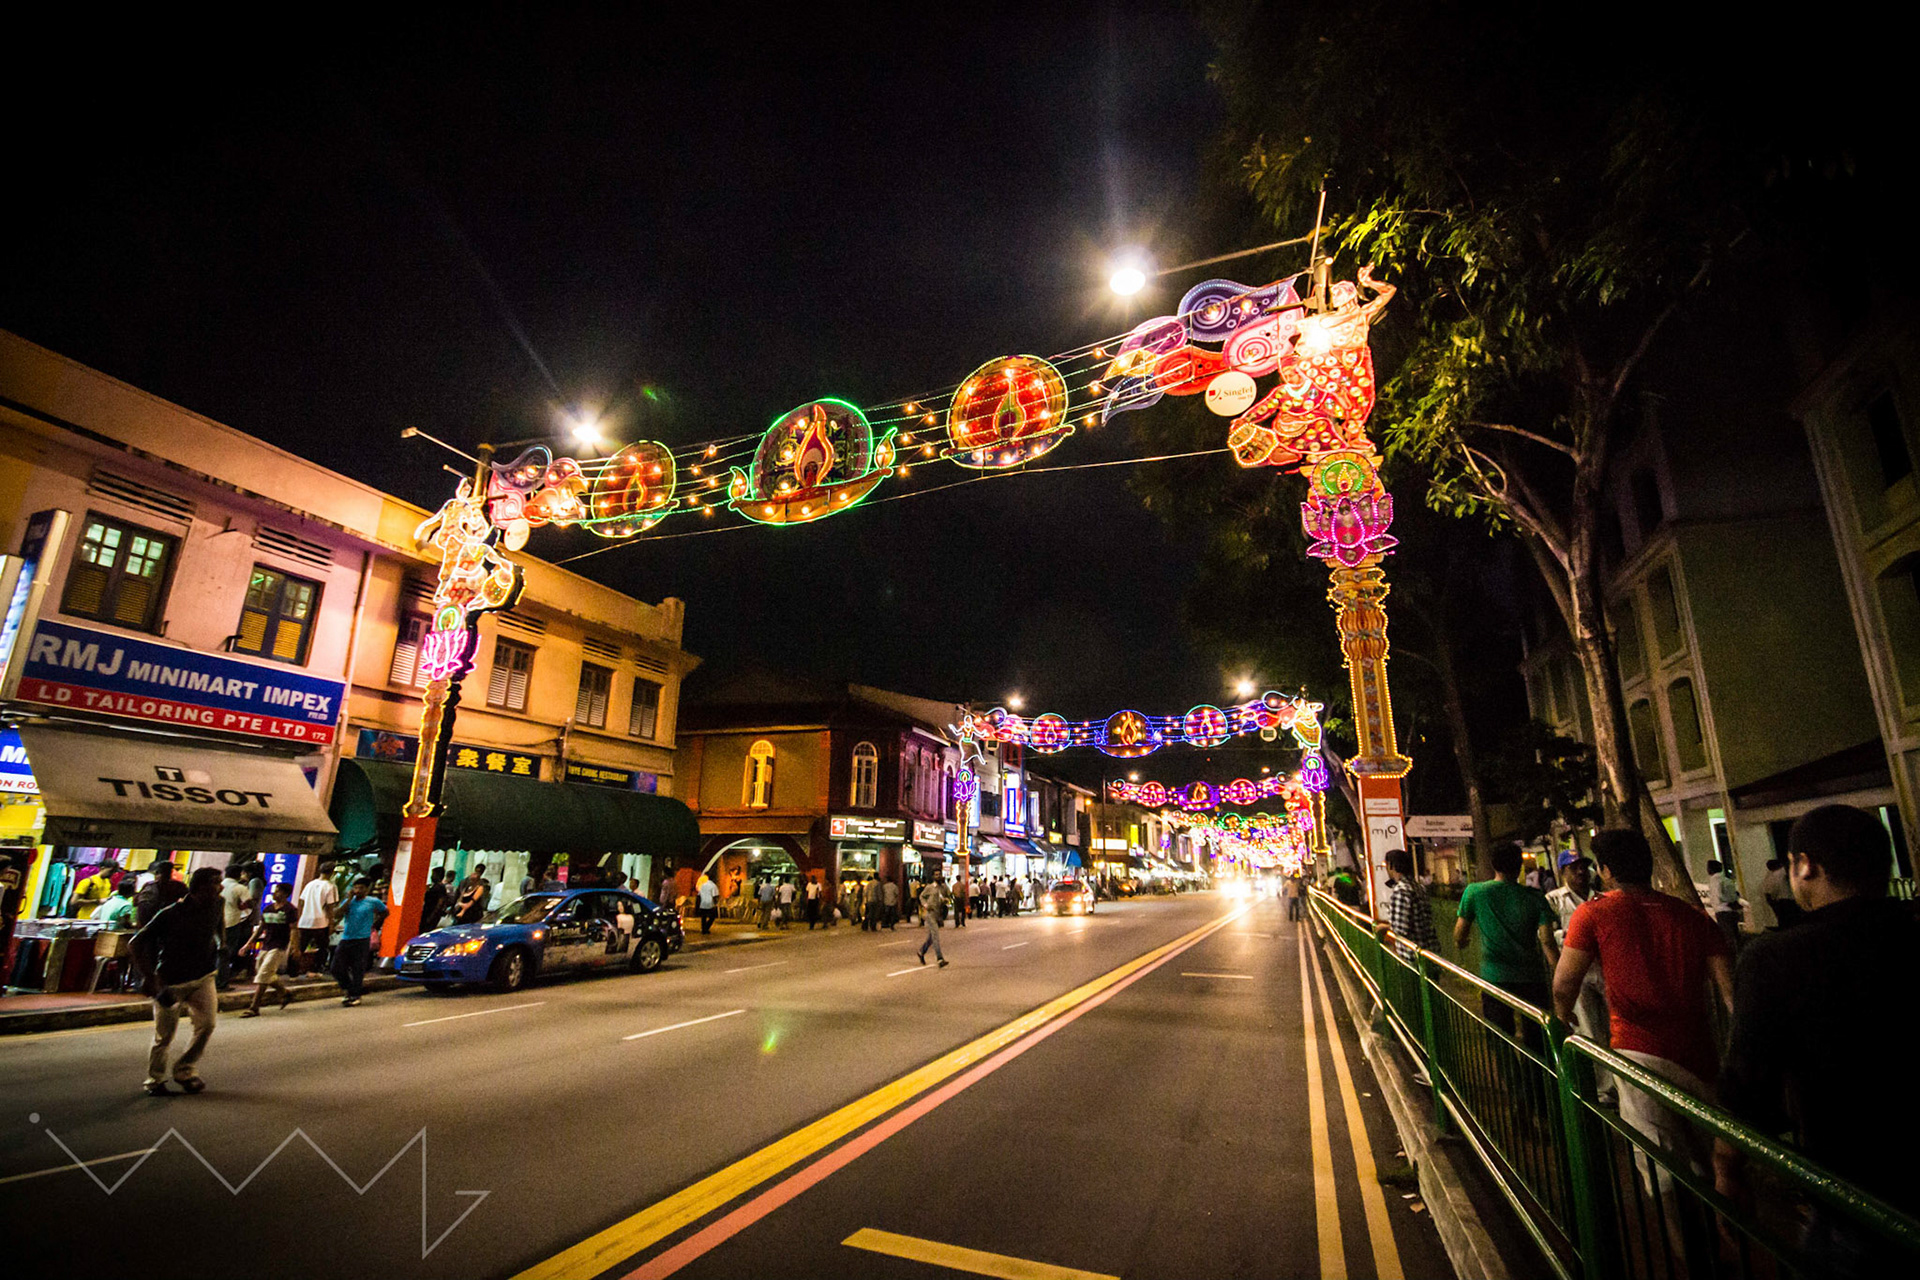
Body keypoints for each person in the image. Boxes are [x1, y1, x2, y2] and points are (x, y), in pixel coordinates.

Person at [1716, 805, 1920, 1246]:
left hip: (1856, 1197)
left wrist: (1727, 1166)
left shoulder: (1775, 958)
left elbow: (1748, 1084)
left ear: (1805, 865)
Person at [1553, 829, 1731, 1220]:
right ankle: (1725, 1235)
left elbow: (1564, 984)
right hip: (1700, 1057)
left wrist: (1560, 1029)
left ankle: (1687, 1252)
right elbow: (1732, 998)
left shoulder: (1593, 913)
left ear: (1607, 871)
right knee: (1710, 1157)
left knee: (1662, 1168)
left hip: (1637, 1056)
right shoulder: (1695, 918)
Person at [130, 867, 225, 1096]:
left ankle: (185, 1069)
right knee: (164, 1035)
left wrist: (222, 943)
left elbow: (219, 924)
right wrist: (149, 978)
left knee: (207, 1025)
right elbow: (135, 943)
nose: (219, 886)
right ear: (200, 887)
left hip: (203, 977)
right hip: (170, 981)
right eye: (215, 882)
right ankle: (155, 1080)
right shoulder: (171, 914)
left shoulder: (217, 904)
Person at [1454, 841, 1560, 1043]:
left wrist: (1461, 943)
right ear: (1519, 865)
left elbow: (1460, 933)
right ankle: (1536, 1074)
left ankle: (1512, 1073)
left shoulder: (1475, 892)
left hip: (1495, 976)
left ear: (1494, 865)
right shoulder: (1535, 897)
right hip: (1532, 977)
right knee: (1537, 1037)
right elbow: (1547, 940)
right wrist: (1559, 975)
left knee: (1500, 1035)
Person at [328, 877, 387, 1006]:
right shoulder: (349, 902)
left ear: (367, 889)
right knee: (335, 968)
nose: (358, 890)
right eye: (355, 888)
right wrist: (348, 899)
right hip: (347, 937)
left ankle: (355, 995)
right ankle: (349, 988)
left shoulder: (373, 901)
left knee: (357, 968)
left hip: (363, 939)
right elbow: (337, 913)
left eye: (361, 888)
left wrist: (375, 925)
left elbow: (385, 912)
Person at [241, 883, 298, 1017]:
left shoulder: (290, 910)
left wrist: (295, 947)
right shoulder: (268, 909)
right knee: (264, 973)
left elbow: (294, 929)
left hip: (279, 946)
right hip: (266, 944)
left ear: (285, 894)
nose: (274, 893)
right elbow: (262, 927)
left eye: (278, 891)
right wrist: (248, 943)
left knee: (264, 974)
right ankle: (284, 993)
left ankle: (254, 1007)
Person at [1383, 849, 1436, 960]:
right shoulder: (1419, 887)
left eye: (1386, 865)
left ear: (1392, 866)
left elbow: (1400, 928)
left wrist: (1384, 927)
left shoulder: (1401, 891)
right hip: (1430, 951)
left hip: (1411, 955)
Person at [215, 865, 254, 990]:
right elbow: (249, 903)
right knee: (225, 954)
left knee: (215, 952)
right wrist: (240, 907)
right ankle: (221, 982)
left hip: (215, 923)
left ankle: (212, 980)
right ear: (240, 874)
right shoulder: (239, 888)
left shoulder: (219, 886)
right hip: (232, 923)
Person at [294, 868, 339, 974]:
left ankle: (293, 971)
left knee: (300, 946)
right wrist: (332, 924)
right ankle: (316, 970)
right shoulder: (330, 886)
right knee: (322, 947)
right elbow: (330, 907)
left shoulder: (309, 884)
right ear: (332, 873)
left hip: (305, 921)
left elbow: (301, 902)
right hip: (321, 922)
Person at [1705, 859, 1742, 951]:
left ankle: (1734, 954)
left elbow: (1718, 895)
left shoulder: (1715, 881)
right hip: (1731, 910)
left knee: (1727, 935)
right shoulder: (1727, 880)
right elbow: (1734, 895)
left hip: (1722, 910)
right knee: (1735, 934)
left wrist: (1725, 902)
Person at [134, 861, 185, 927]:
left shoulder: (149, 886)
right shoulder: (178, 886)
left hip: (157, 923)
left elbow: (135, 902)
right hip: (161, 923)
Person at [1758, 856, 1800, 929]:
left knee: (1785, 920)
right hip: (1786, 899)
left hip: (1783, 899)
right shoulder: (1779, 872)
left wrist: (1771, 899)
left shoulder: (1775, 874)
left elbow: (1769, 889)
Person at [917, 877, 949, 967]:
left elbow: (948, 896)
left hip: (938, 914)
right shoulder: (929, 887)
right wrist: (925, 905)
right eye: (936, 874)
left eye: (939, 874)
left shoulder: (943, 888)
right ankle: (940, 958)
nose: (938, 876)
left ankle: (921, 951)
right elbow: (921, 896)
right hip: (931, 914)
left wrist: (945, 900)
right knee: (935, 936)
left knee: (931, 937)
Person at [419, 867, 451, 932]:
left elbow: (440, 903)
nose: (431, 876)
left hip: (431, 914)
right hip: (427, 912)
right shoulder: (434, 886)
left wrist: (432, 916)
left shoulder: (440, 887)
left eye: (433, 874)